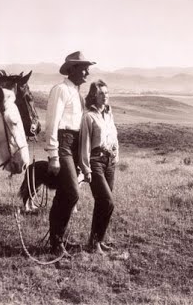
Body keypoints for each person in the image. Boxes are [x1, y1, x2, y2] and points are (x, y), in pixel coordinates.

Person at [45, 50, 96, 256]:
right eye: (84, 68)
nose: (87, 73)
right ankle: (56, 242)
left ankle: (59, 241)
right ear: (73, 69)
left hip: (75, 146)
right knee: (72, 193)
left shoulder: (77, 93)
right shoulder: (60, 90)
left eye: (88, 69)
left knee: (65, 193)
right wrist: (53, 155)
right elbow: (52, 122)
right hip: (63, 144)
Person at [79, 79, 119, 255]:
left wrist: (116, 155)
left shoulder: (109, 115)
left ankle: (96, 242)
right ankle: (94, 242)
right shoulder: (88, 116)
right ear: (93, 96)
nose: (105, 96)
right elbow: (85, 144)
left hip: (110, 162)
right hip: (95, 161)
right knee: (107, 202)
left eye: (107, 93)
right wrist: (86, 168)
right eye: (101, 93)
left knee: (101, 204)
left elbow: (114, 136)